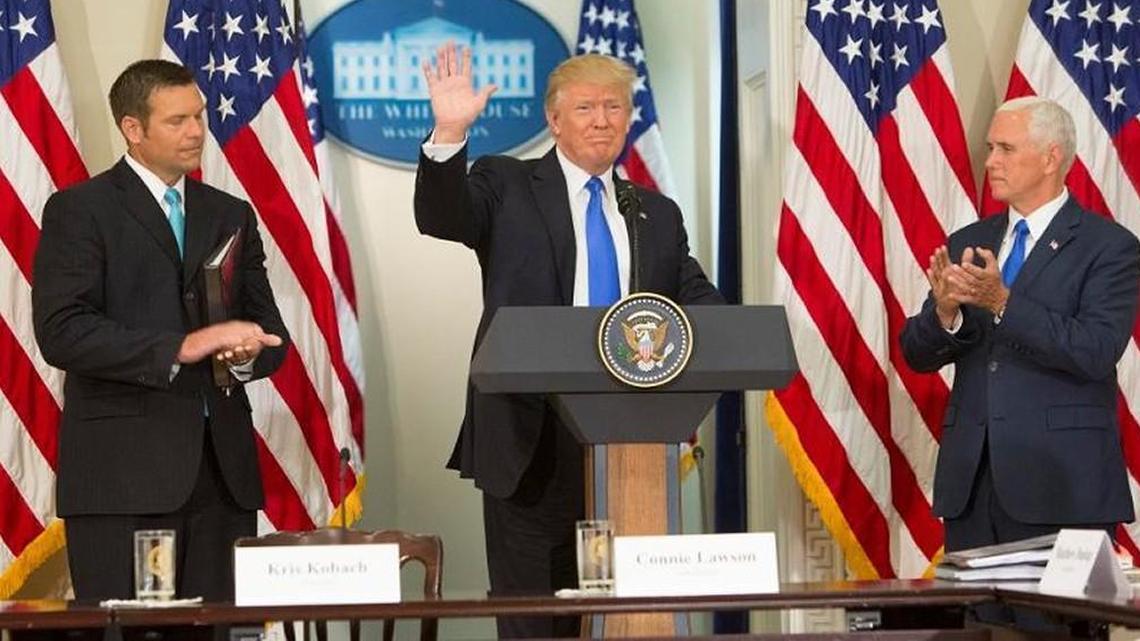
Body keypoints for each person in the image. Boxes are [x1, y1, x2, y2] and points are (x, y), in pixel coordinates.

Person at [414, 44, 722, 637]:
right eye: (585, 107)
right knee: (536, 616)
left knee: (628, 616)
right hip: (531, 439)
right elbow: (442, 216)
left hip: (630, 444)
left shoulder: (655, 212)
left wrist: (728, 338)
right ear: (554, 120)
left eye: (614, 106)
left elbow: (699, 305)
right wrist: (449, 133)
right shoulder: (505, 183)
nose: (602, 119)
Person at [32, 59, 288, 601]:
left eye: (198, 116)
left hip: (222, 479)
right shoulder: (80, 210)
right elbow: (62, 331)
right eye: (177, 120)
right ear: (133, 128)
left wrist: (241, 355)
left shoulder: (230, 213)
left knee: (222, 633)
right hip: (122, 479)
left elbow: (269, 334)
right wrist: (181, 347)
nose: (197, 130)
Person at [901, 96, 1139, 553]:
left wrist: (1003, 303)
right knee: (976, 626)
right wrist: (944, 313)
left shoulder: (1108, 247)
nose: (990, 162)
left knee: (1051, 627)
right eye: (990, 148)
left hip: (1062, 488)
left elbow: (1095, 349)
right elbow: (915, 354)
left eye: (1005, 149)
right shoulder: (970, 240)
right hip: (971, 488)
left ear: (1051, 157)